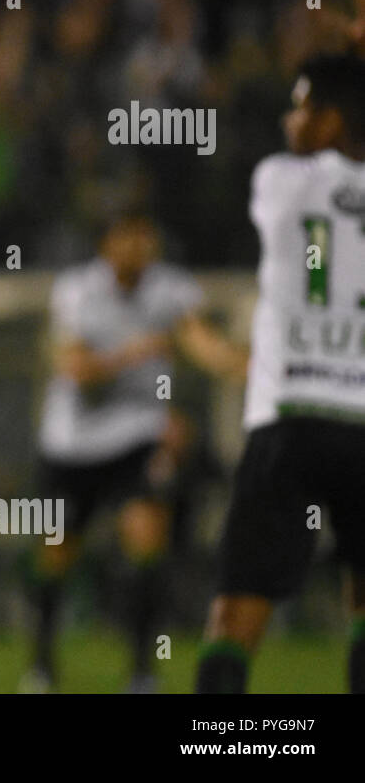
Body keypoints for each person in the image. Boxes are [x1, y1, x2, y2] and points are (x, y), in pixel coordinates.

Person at [22, 212, 247, 692]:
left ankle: (142, 670)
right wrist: (135, 352)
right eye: (130, 237)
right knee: (57, 555)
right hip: (72, 443)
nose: (141, 246)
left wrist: (240, 364)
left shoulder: (172, 289)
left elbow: (199, 341)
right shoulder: (77, 290)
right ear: (108, 243)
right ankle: (41, 665)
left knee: (148, 540)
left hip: (137, 438)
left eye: (148, 236)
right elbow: (75, 369)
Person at [197, 54, 365, 693]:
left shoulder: (280, 182)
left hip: (291, 417)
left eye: (301, 106)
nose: (289, 119)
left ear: (330, 120)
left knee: (237, 611)